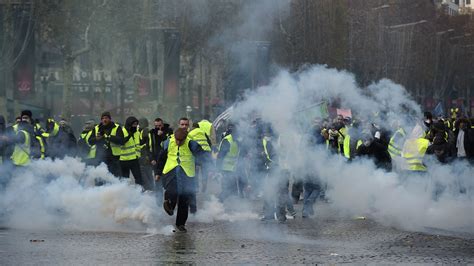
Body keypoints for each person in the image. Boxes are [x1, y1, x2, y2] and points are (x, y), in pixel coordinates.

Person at [155, 127, 205, 232]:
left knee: (184, 199)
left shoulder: (191, 143)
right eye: (176, 140)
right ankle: (169, 206)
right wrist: (158, 173)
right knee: (172, 191)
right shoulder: (168, 142)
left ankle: (181, 224)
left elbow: (202, 155)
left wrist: (204, 164)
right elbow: (161, 158)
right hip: (170, 172)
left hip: (186, 174)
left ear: (185, 138)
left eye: (180, 141)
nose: (178, 142)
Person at [87, 112, 125, 178]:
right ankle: (99, 188)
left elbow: (121, 141)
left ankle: (116, 188)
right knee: (100, 178)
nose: (104, 120)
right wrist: (96, 138)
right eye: (103, 118)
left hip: (114, 158)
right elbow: (90, 141)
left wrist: (109, 137)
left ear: (110, 119)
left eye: (106, 118)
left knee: (115, 177)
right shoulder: (96, 128)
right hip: (100, 157)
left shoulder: (116, 127)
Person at [119, 116, 143, 187]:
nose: (135, 126)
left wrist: (138, 155)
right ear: (129, 124)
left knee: (139, 178)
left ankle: (139, 193)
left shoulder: (137, 132)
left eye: (136, 124)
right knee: (125, 179)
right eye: (133, 124)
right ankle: (125, 193)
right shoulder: (122, 131)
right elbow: (120, 143)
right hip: (124, 160)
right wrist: (130, 135)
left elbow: (138, 145)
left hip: (134, 159)